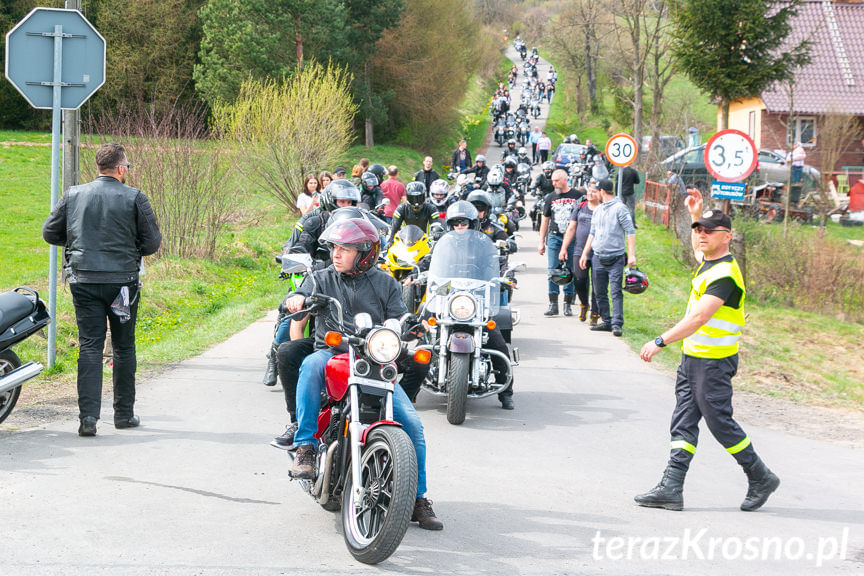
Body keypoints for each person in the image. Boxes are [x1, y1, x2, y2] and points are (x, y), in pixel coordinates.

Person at [284, 218, 444, 530]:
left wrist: (413, 325)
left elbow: (400, 317)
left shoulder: (385, 283)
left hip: (374, 363)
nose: (336, 254)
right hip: (331, 355)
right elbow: (301, 295)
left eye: (345, 249)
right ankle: (304, 447)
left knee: (412, 424)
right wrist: (297, 299)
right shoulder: (320, 278)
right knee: (309, 364)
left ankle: (417, 497)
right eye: (334, 247)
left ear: (365, 253)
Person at [635, 191, 780, 512]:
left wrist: (660, 341)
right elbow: (698, 250)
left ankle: (760, 475)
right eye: (698, 230)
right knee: (683, 420)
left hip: (714, 363)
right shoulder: (711, 262)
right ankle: (671, 488)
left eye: (708, 231)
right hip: (694, 359)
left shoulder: (726, 275)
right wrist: (695, 214)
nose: (700, 235)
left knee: (719, 422)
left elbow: (700, 317)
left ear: (727, 237)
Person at [42, 142, 162, 436]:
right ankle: (123, 414)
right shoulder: (135, 198)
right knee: (123, 346)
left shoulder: (73, 195)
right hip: (122, 283)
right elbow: (152, 243)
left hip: (84, 280)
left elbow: (49, 232)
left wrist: (78, 244)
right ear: (121, 168)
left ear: (99, 167)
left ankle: (88, 419)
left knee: (90, 346)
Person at [579, 178, 635, 337]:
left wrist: (631, 255)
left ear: (602, 191)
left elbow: (630, 231)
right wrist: (585, 253)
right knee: (599, 291)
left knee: (616, 291)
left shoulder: (620, 209)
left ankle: (617, 324)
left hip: (615, 257)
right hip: (598, 257)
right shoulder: (598, 209)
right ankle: (607, 321)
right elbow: (592, 233)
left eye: (597, 190)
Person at [538, 169, 582, 316]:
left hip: (572, 238)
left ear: (565, 180)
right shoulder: (550, 197)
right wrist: (541, 241)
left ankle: (567, 304)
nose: (554, 183)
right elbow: (545, 220)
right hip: (554, 237)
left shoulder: (578, 196)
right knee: (553, 269)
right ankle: (553, 303)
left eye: (556, 180)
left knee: (569, 270)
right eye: (552, 180)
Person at [560, 182, 600, 324]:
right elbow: (571, 228)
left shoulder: (602, 209)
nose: (590, 194)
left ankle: (595, 313)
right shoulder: (581, 206)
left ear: (600, 193)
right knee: (579, 281)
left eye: (594, 191)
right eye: (589, 191)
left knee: (597, 283)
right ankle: (584, 303)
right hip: (579, 249)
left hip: (598, 252)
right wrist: (564, 247)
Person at [387, 182, 438, 246]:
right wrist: (390, 240)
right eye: (413, 198)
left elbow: (435, 224)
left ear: (424, 196)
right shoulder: (401, 208)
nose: (416, 202)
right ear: (408, 197)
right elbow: (395, 226)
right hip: (406, 242)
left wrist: (435, 235)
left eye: (419, 198)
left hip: (426, 243)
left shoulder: (431, 208)